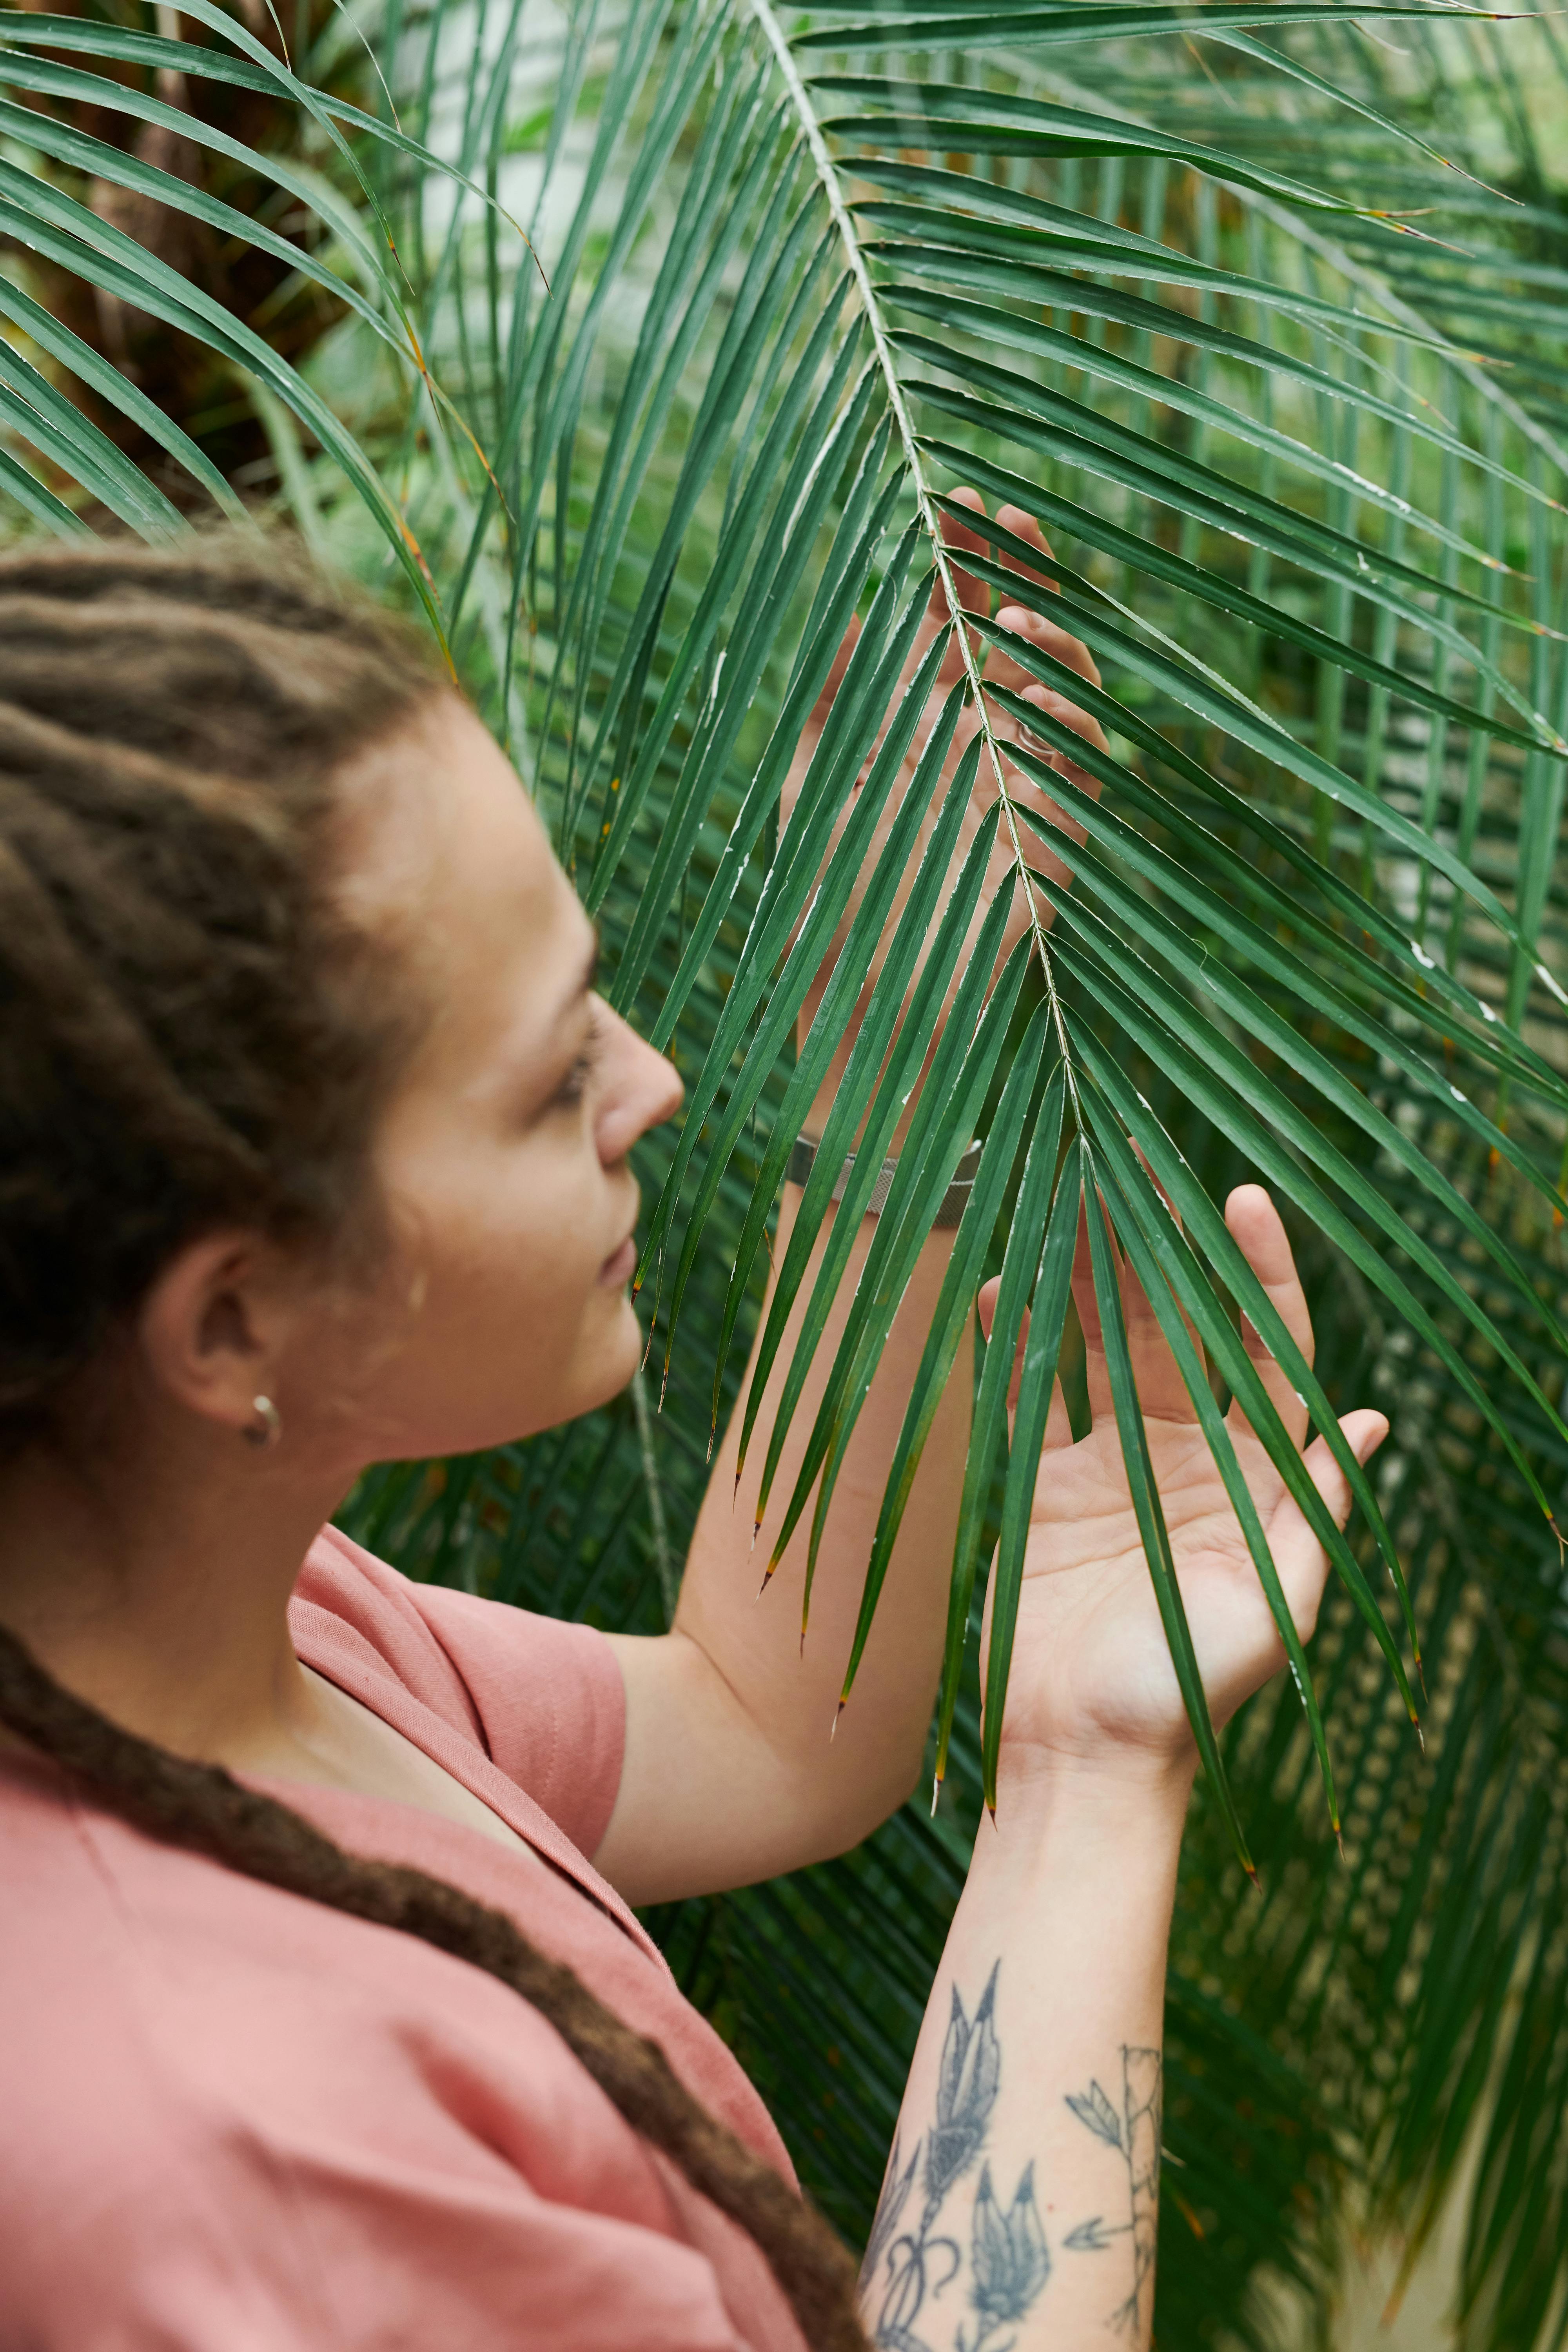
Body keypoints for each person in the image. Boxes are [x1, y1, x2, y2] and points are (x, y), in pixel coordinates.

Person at [0, 514, 1385, 2352]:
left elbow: (760, 1728)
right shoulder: (244, 2178)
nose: (651, 1081)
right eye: (551, 1073)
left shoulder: (232, 1622)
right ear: (231, 1319)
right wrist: (1095, 1810)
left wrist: (892, 1035)